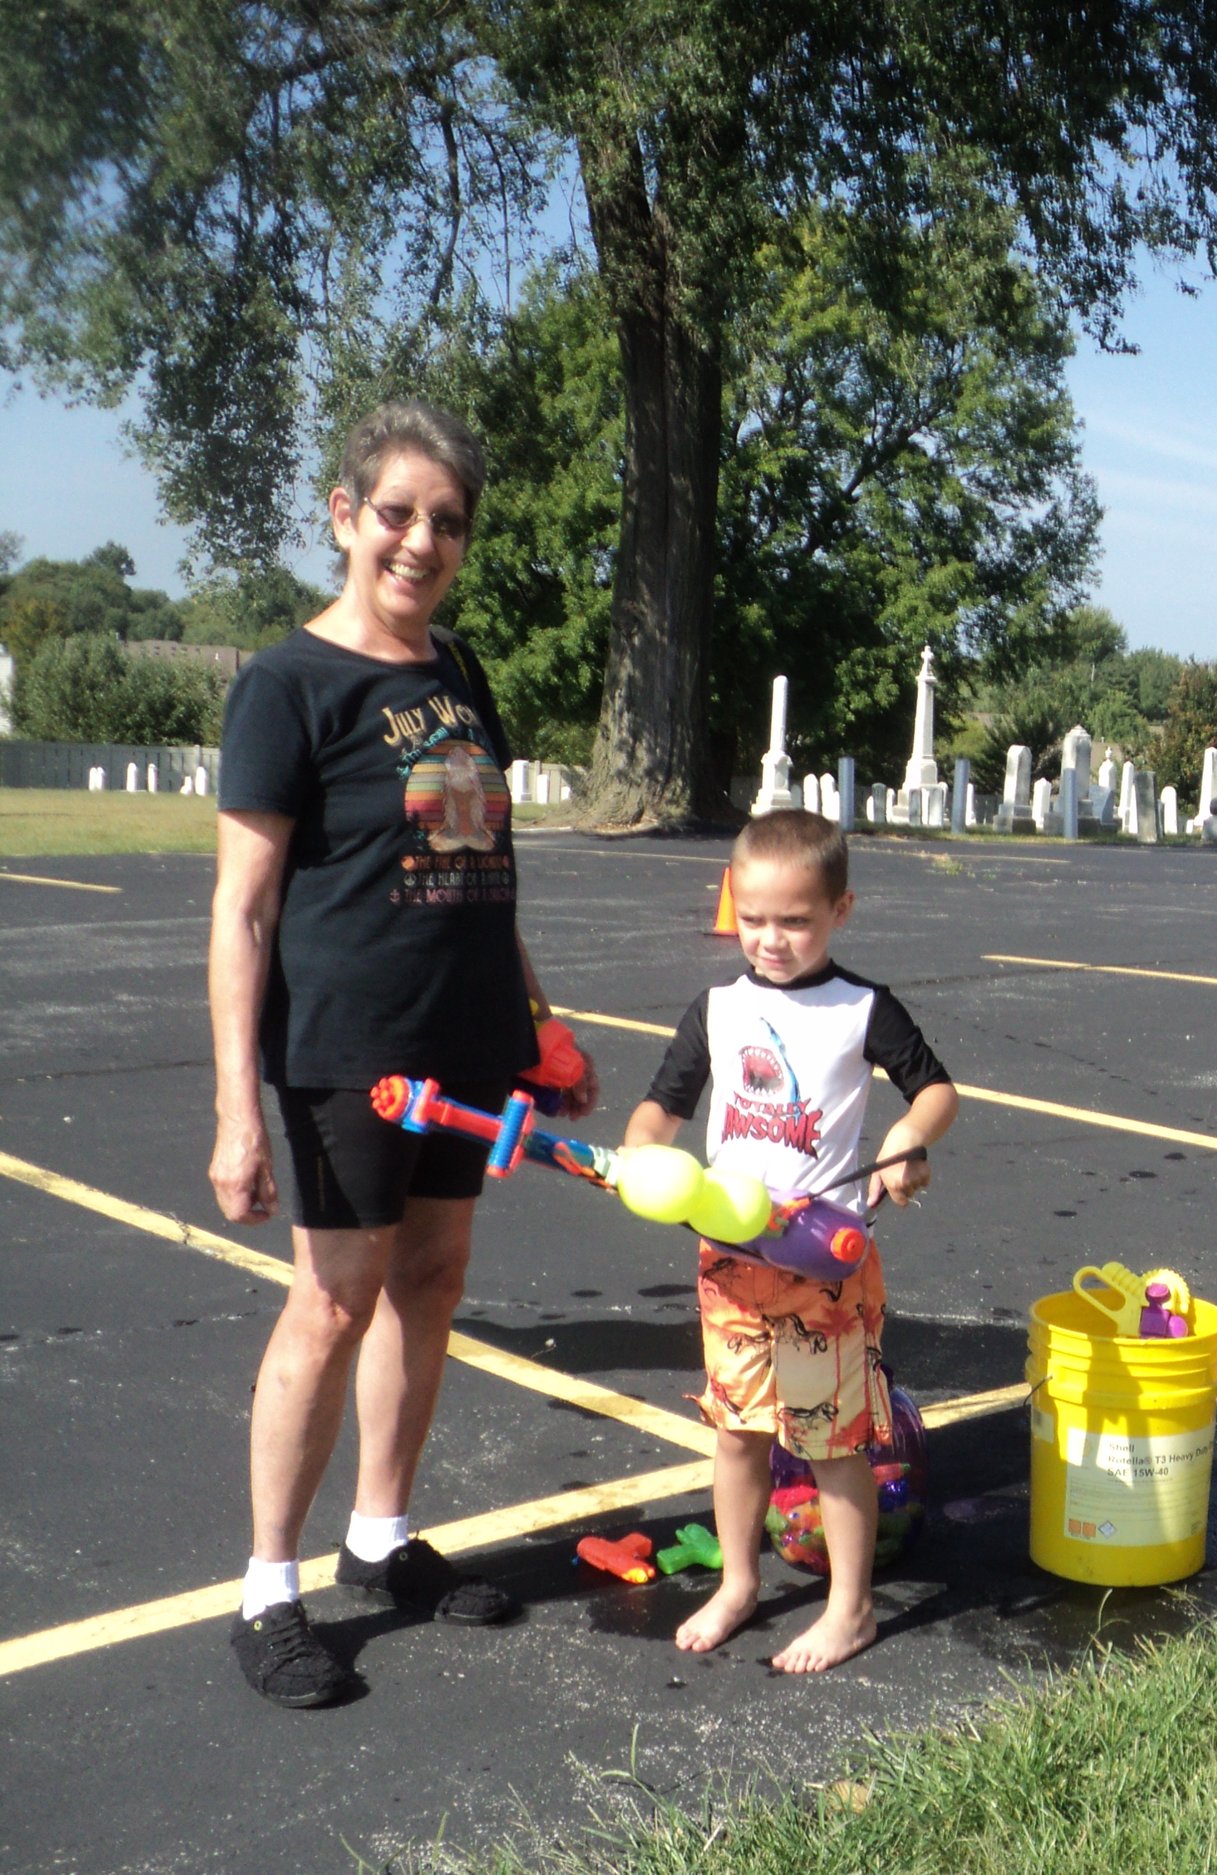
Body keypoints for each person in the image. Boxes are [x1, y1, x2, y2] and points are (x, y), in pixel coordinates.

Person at [211, 400, 599, 1708]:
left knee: (431, 1276)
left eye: (447, 520)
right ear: (345, 515)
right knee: (329, 1303)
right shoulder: (288, 683)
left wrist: (537, 1019)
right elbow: (245, 906)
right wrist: (236, 1110)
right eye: (397, 512)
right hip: (345, 1048)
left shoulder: (459, 672)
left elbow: (488, 863)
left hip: (467, 1035)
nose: (421, 540)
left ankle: (378, 1534)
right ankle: (270, 1584)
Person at [622, 809, 958, 1671]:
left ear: (839, 910)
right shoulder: (718, 1007)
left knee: (833, 1442)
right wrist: (640, 1149)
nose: (771, 939)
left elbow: (936, 1090)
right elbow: (665, 1101)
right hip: (729, 1265)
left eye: (796, 920)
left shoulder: (861, 1008)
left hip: (820, 1266)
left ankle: (851, 1608)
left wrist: (905, 1143)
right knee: (736, 1432)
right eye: (756, 917)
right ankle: (738, 1582)